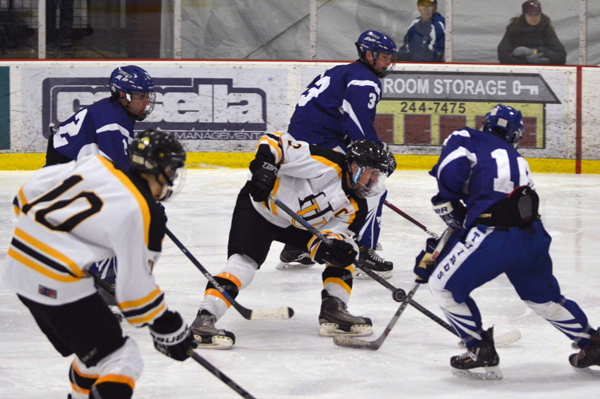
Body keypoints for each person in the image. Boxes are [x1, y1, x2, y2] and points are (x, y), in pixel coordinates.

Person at [0, 129, 196, 399]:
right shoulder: (143, 212)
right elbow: (134, 294)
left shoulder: (96, 163)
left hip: (17, 270)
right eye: (171, 170)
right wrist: (168, 327)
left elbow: (24, 195)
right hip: (58, 282)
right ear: (156, 170)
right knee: (122, 359)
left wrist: (49, 240)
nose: (172, 178)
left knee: (94, 354)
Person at [412, 104, 599, 380]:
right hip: (532, 236)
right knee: (544, 299)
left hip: (493, 237)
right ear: (516, 135)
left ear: (486, 124)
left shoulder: (466, 136)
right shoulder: (518, 160)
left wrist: (447, 198)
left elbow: (450, 176)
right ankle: (592, 343)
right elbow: (503, 204)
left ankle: (478, 349)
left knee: (444, 287)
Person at [190, 132, 390, 349]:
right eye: (371, 174)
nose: (374, 181)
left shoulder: (356, 208)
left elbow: (329, 238)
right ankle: (204, 318)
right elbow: (274, 142)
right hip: (261, 209)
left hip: (299, 225)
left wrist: (331, 250)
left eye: (378, 176)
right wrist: (265, 168)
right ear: (353, 167)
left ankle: (334, 309)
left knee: (345, 253)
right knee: (243, 265)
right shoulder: (326, 163)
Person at [276, 30, 398, 279]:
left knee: (326, 192)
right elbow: (357, 120)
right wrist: (373, 155)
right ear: (368, 54)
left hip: (300, 142)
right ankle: (362, 248)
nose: (388, 62)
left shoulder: (339, 72)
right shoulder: (365, 80)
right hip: (319, 142)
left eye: (390, 57)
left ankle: (296, 247)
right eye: (384, 57)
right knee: (371, 186)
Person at [45, 64, 156, 299]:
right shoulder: (112, 121)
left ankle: (97, 281)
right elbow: (120, 172)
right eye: (141, 97)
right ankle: (101, 286)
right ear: (122, 95)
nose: (146, 102)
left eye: (147, 96)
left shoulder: (115, 113)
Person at [497, 0, 566, 65]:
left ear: (541, 14)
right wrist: (526, 60)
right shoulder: (513, 29)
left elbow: (561, 57)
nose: (534, 17)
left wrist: (535, 51)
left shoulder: (547, 30)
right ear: (524, 15)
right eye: (530, 14)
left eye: (536, 14)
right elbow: (503, 55)